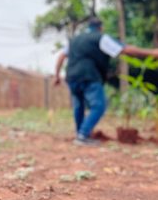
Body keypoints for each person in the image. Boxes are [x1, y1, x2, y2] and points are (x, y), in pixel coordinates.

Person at [54, 17, 158, 146]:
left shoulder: (74, 40)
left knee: (79, 105)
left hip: (71, 76)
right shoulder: (100, 38)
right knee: (99, 106)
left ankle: (80, 134)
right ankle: (82, 135)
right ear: (100, 27)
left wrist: (57, 75)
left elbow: (61, 56)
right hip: (89, 75)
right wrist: (152, 53)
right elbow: (124, 50)